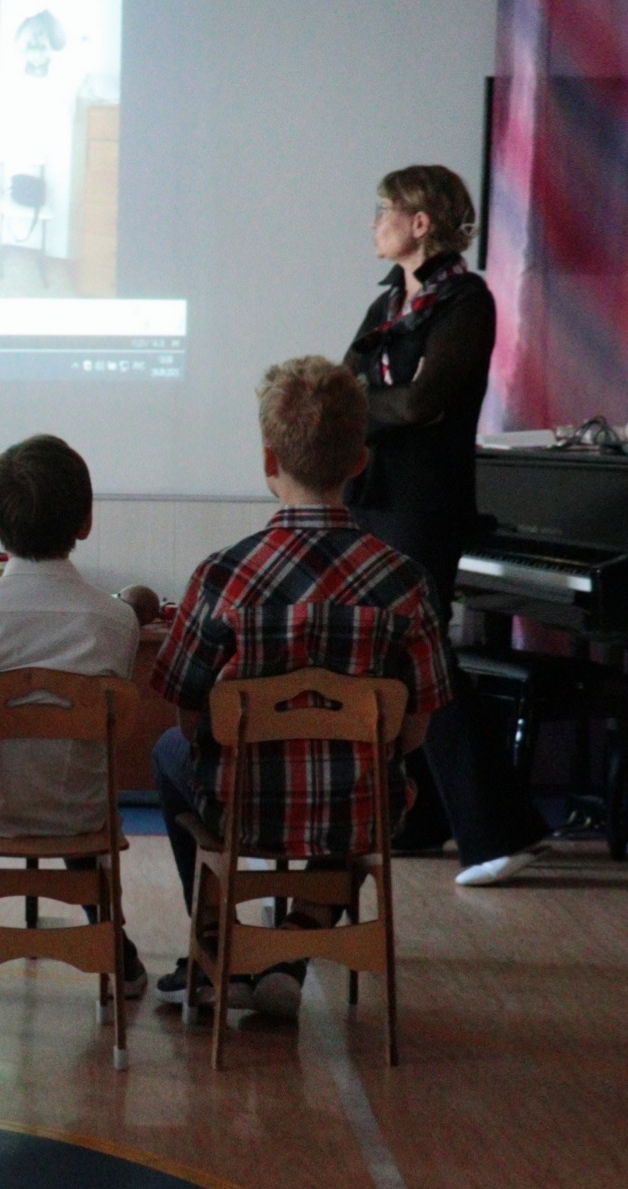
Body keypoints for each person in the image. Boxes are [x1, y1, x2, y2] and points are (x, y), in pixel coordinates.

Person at [148, 358, 451, 1024]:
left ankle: (216, 945)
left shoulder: (223, 575)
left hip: (242, 810)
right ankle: (289, 947)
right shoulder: (405, 580)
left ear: (268, 459)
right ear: (361, 461)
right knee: (366, 777)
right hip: (361, 813)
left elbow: (188, 712)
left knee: (169, 751)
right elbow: (416, 729)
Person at [339, 163, 552, 885]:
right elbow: (344, 383)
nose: (375, 223)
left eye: (384, 210)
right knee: (391, 657)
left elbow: (423, 402)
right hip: (373, 491)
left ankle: (504, 831)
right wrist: (366, 401)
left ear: (420, 222)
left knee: (423, 654)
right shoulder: (388, 302)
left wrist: (363, 403)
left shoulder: (466, 300)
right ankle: (422, 817)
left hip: (424, 502)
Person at [0, 432, 151, 988]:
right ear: (86, 522)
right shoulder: (116, 622)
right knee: (67, 775)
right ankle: (111, 943)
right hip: (79, 818)